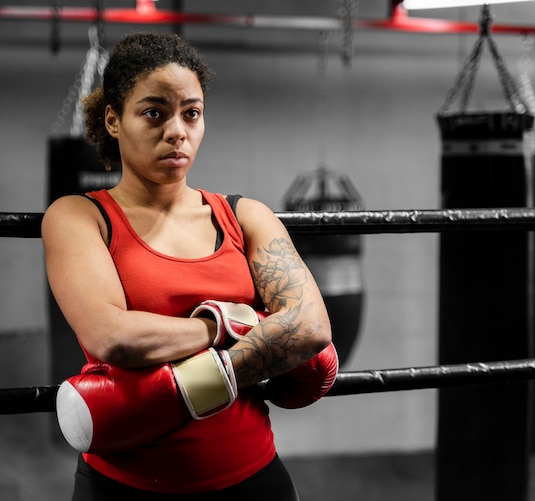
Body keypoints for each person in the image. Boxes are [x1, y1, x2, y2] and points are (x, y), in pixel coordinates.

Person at [41, 31, 335, 500]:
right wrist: (235, 323)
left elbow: (314, 327)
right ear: (114, 121)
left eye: (191, 113)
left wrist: (193, 374)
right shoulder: (79, 216)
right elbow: (112, 336)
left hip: (254, 478)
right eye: (154, 113)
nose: (177, 130)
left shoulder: (245, 215)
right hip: (125, 486)